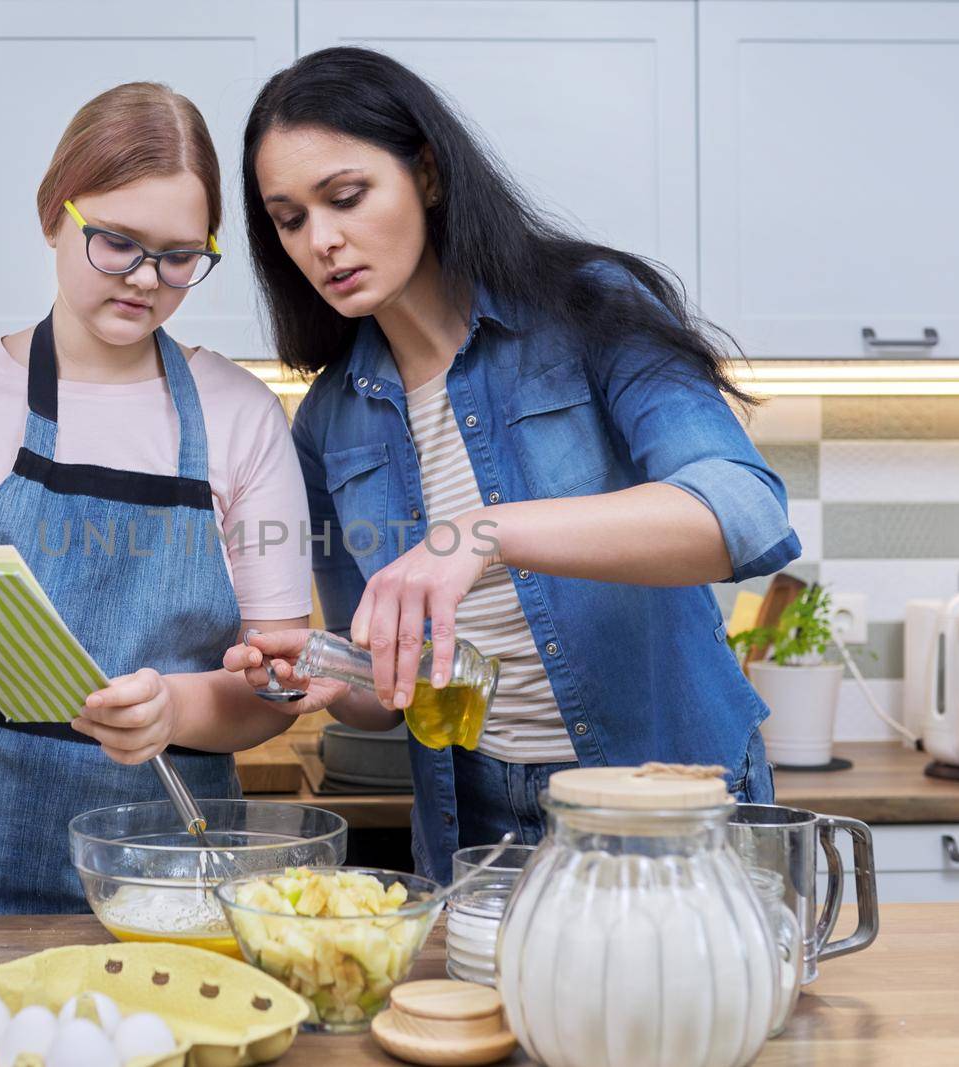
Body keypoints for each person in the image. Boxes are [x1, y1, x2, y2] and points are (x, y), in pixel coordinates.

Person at [223, 48, 800, 883]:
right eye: (289, 219)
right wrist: (317, 668)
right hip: (475, 822)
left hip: (664, 796)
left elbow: (744, 512)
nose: (323, 240)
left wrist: (482, 534)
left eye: (346, 197)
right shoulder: (326, 422)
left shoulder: (588, 310)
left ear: (426, 173)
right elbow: (383, 692)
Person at [0, 82, 311, 914]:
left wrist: (173, 708)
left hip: (159, 866)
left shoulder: (243, 416)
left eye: (178, 256)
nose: (145, 280)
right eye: (117, 243)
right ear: (54, 214)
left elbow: (282, 688)